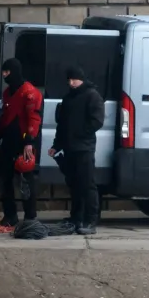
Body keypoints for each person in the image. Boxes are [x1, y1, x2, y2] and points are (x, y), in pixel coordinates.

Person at [49, 65, 105, 236]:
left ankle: (90, 220)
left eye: (74, 79)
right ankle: (76, 218)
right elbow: (62, 126)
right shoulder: (68, 99)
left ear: (82, 79)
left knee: (87, 184)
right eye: (69, 80)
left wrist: (79, 133)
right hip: (70, 148)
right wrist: (56, 145)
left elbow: (97, 121)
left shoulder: (92, 96)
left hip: (84, 148)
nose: (72, 83)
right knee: (74, 185)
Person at [0, 57, 43, 227]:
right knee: (4, 180)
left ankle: (30, 216)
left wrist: (29, 141)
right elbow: (4, 118)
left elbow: (33, 119)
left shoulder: (30, 92)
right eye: (3, 72)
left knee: (25, 181)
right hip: (7, 143)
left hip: (23, 144)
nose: (5, 75)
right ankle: (10, 216)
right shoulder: (7, 93)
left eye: (7, 72)